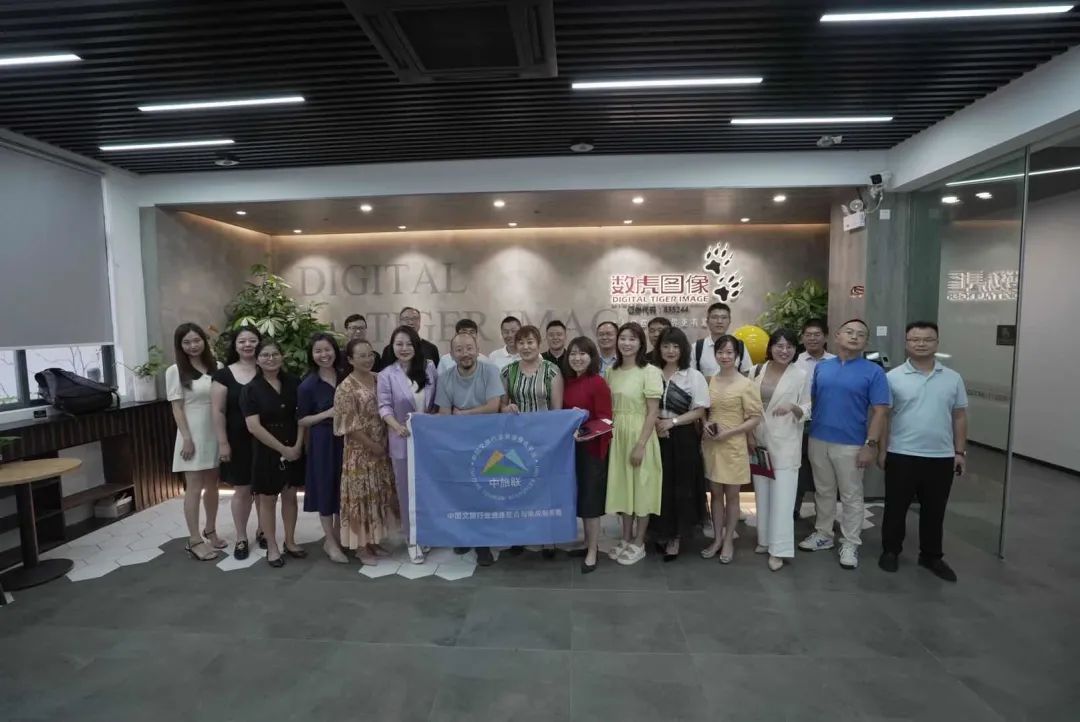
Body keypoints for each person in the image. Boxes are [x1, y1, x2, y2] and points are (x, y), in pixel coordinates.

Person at [878, 322, 968, 582]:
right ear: (906, 343)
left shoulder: (952, 378)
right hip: (901, 453)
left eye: (927, 339)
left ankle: (931, 556)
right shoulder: (893, 377)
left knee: (935, 510)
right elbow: (884, 417)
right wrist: (882, 450)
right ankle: (891, 551)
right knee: (895, 507)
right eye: (915, 339)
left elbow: (959, 416)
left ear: (937, 343)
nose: (921, 343)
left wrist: (959, 452)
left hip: (940, 456)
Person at [799, 319, 891, 570]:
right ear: (837, 336)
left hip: (851, 443)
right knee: (823, 491)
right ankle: (823, 534)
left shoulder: (873, 372)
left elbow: (881, 412)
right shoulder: (823, 368)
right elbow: (813, 402)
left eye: (860, 334)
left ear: (866, 342)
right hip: (818, 438)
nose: (854, 337)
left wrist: (871, 444)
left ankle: (850, 542)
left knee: (851, 495)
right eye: (849, 332)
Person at [437, 331, 505, 567]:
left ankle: (483, 544)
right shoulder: (445, 378)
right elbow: (444, 414)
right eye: (459, 349)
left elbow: (493, 406)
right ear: (452, 353)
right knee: (462, 491)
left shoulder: (490, 371)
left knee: (483, 493)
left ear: (477, 349)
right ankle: (465, 535)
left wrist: (464, 414)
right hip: (458, 443)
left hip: (488, 442)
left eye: (469, 348)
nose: (465, 353)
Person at [500, 324, 564, 557]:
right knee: (518, 488)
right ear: (515, 346)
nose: (525, 347)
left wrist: (552, 440)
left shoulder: (552, 371)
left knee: (544, 489)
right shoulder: (507, 371)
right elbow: (501, 405)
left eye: (530, 342)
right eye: (521, 343)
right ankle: (519, 536)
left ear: (538, 344)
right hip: (516, 441)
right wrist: (507, 408)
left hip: (544, 440)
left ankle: (548, 538)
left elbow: (557, 410)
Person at [241, 339, 306, 568]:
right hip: (266, 449)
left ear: (282, 356)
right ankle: (272, 547)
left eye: (275, 354)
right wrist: (283, 449)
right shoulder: (250, 389)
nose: (271, 359)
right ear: (257, 360)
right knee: (267, 500)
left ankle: (290, 541)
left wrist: (297, 446)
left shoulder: (294, 383)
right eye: (265, 355)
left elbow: (302, 417)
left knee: (290, 496)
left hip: (294, 445)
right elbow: (253, 427)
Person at [334, 338, 399, 565]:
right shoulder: (345, 388)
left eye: (370, 354)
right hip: (359, 454)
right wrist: (373, 446)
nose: (368, 359)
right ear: (350, 360)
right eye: (361, 356)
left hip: (382, 451)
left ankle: (373, 541)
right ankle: (361, 548)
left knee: (378, 496)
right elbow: (349, 426)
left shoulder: (379, 378)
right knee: (360, 499)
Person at [750, 329, 811, 572]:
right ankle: (765, 540)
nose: (784, 351)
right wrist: (749, 434)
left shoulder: (800, 374)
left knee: (783, 499)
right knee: (762, 492)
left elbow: (808, 406)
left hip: (786, 443)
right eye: (779, 346)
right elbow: (749, 405)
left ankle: (780, 549)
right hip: (759, 441)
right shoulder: (757, 370)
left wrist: (793, 407)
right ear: (770, 348)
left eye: (789, 346)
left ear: (795, 349)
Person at [604, 322, 663, 566]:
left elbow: (652, 412)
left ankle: (639, 542)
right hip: (618, 436)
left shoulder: (649, 371)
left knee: (642, 487)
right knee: (623, 487)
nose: (626, 343)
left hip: (641, 434)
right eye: (623, 338)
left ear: (640, 343)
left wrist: (641, 444)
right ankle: (626, 537)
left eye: (632, 339)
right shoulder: (612, 371)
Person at [378, 325, 438, 564]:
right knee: (406, 491)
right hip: (401, 440)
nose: (404, 348)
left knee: (426, 489)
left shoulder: (429, 367)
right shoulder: (386, 375)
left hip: (427, 441)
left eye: (409, 344)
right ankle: (412, 538)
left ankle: (427, 532)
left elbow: (436, 401)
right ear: (392, 347)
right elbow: (384, 407)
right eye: (399, 344)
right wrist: (396, 426)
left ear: (416, 346)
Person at [701, 335, 763, 564]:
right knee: (715, 493)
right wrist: (705, 424)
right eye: (720, 352)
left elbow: (755, 418)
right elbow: (703, 410)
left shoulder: (746, 384)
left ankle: (729, 540)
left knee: (733, 495)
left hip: (734, 444)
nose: (725, 356)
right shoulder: (709, 381)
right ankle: (717, 538)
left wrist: (730, 433)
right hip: (712, 444)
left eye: (729, 352)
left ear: (737, 356)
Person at [651, 327, 709, 561]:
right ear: (659, 348)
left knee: (681, 486)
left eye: (675, 346)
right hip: (655, 434)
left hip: (683, 437)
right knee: (658, 486)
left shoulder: (693, 376)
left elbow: (700, 410)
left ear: (683, 349)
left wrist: (672, 422)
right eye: (666, 346)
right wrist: (657, 423)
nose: (671, 351)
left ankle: (675, 536)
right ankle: (659, 531)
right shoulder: (652, 372)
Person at [167, 322, 224, 562]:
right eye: (187, 342)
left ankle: (210, 529)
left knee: (213, 484)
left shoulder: (218, 367)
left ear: (204, 340)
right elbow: (177, 408)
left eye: (197, 340)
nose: (193, 346)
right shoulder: (175, 371)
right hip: (191, 433)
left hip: (215, 432)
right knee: (193, 487)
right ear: (180, 346)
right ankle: (194, 540)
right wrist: (187, 439)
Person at [561, 336, 613, 573]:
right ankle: (586, 543)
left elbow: (606, 420)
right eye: (573, 353)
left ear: (591, 357)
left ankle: (593, 550)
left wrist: (584, 431)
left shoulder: (598, 383)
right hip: (570, 450)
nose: (577, 358)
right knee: (580, 497)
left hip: (592, 450)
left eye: (582, 353)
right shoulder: (567, 382)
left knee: (591, 500)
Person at [211, 326, 263, 559]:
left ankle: (263, 530)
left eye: (252, 340)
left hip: (266, 439)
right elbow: (218, 411)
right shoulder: (223, 375)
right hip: (237, 440)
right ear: (235, 345)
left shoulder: (268, 369)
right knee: (242, 489)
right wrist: (223, 442)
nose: (248, 345)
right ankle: (241, 537)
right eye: (242, 341)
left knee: (265, 490)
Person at [297, 333, 347, 563]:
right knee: (326, 488)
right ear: (312, 355)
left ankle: (337, 537)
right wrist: (327, 413)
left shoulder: (345, 376)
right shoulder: (308, 385)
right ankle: (330, 541)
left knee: (343, 489)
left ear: (335, 351)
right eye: (318, 351)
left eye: (327, 349)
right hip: (323, 441)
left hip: (348, 439)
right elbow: (302, 420)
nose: (323, 355)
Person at [792, 319, 835, 521]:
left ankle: (824, 517)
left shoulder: (835, 362)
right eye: (808, 335)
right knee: (797, 467)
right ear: (802, 338)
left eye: (817, 334)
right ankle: (792, 510)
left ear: (826, 337)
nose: (812, 338)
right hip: (799, 422)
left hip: (826, 423)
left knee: (824, 471)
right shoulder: (794, 361)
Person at [690, 302, 753, 376]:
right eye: (715, 317)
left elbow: (747, 373)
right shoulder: (696, 347)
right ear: (707, 321)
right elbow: (692, 377)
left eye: (724, 317)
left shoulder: (739, 345)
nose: (719, 321)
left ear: (729, 321)